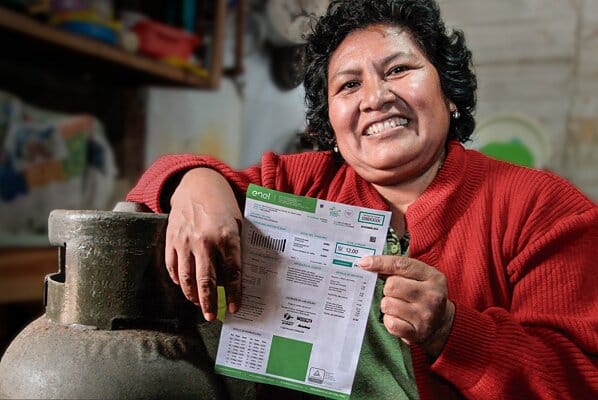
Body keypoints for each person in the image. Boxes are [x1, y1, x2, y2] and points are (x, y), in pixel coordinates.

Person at [126, 0, 598, 398]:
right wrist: (195, 182)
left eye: (399, 69)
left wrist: (452, 331)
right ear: (330, 124)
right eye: (349, 85)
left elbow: (581, 380)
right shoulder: (294, 185)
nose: (376, 97)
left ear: (449, 92)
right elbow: (146, 197)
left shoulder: (544, 208)